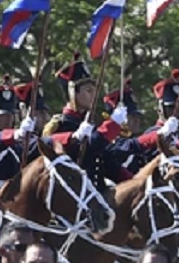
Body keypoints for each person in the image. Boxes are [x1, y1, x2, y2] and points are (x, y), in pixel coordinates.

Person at [43, 55, 126, 184]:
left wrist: (136, 181)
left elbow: (108, 161)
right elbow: (90, 146)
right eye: (88, 91)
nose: (93, 96)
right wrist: (112, 125)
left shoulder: (91, 123)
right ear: (73, 93)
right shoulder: (60, 125)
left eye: (94, 91)